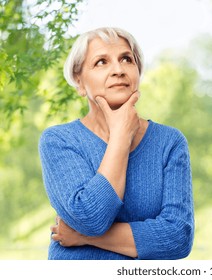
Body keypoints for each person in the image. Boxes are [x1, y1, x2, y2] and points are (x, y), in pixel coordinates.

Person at [38, 27, 194, 260]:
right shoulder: (59, 140)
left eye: (126, 59)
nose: (118, 70)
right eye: (101, 62)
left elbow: (177, 237)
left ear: (138, 72)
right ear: (80, 82)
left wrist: (84, 237)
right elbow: (90, 217)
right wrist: (121, 135)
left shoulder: (169, 142)